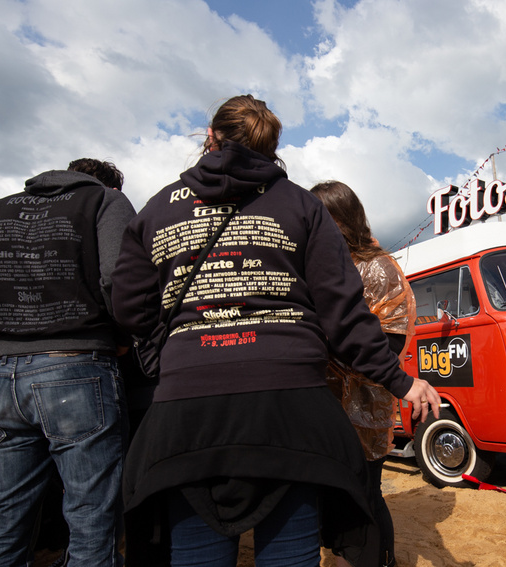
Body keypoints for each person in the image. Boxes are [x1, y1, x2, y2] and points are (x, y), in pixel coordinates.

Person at [111, 94, 440, 567]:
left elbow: (128, 307)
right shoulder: (301, 206)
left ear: (210, 136)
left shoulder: (159, 209)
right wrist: (402, 381)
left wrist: (186, 341)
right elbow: (343, 316)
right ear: (272, 148)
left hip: (188, 407)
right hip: (291, 405)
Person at [0, 158, 136, 566]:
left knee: (4, 519)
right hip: (78, 367)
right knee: (91, 518)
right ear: (107, 186)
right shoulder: (105, 203)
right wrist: (118, 334)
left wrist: (7, 316)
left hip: (6, 375)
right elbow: (118, 280)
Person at [310, 180, 414, 567]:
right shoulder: (331, 263)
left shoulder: (376, 267)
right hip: (330, 407)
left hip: (366, 407)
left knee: (365, 496)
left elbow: (389, 341)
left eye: (323, 217)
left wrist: (327, 344)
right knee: (339, 498)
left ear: (344, 217)